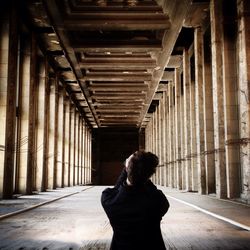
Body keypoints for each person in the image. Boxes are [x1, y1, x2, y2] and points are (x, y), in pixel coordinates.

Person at [101, 151, 169, 250]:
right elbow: (152, 190)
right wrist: (140, 170)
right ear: (149, 175)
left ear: (127, 168)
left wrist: (127, 168)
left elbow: (117, 190)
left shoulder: (108, 199)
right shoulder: (158, 200)